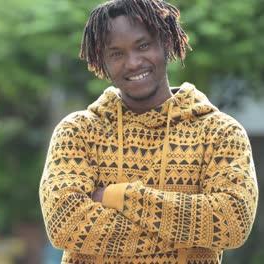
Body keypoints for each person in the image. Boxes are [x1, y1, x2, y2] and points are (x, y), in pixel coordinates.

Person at [38, 0, 259, 263]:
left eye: (143, 46)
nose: (132, 63)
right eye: (117, 53)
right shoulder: (78, 132)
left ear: (165, 44)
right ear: (102, 61)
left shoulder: (219, 132)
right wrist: (187, 236)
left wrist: (117, 196)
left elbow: (231, 223)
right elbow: (65, 225)